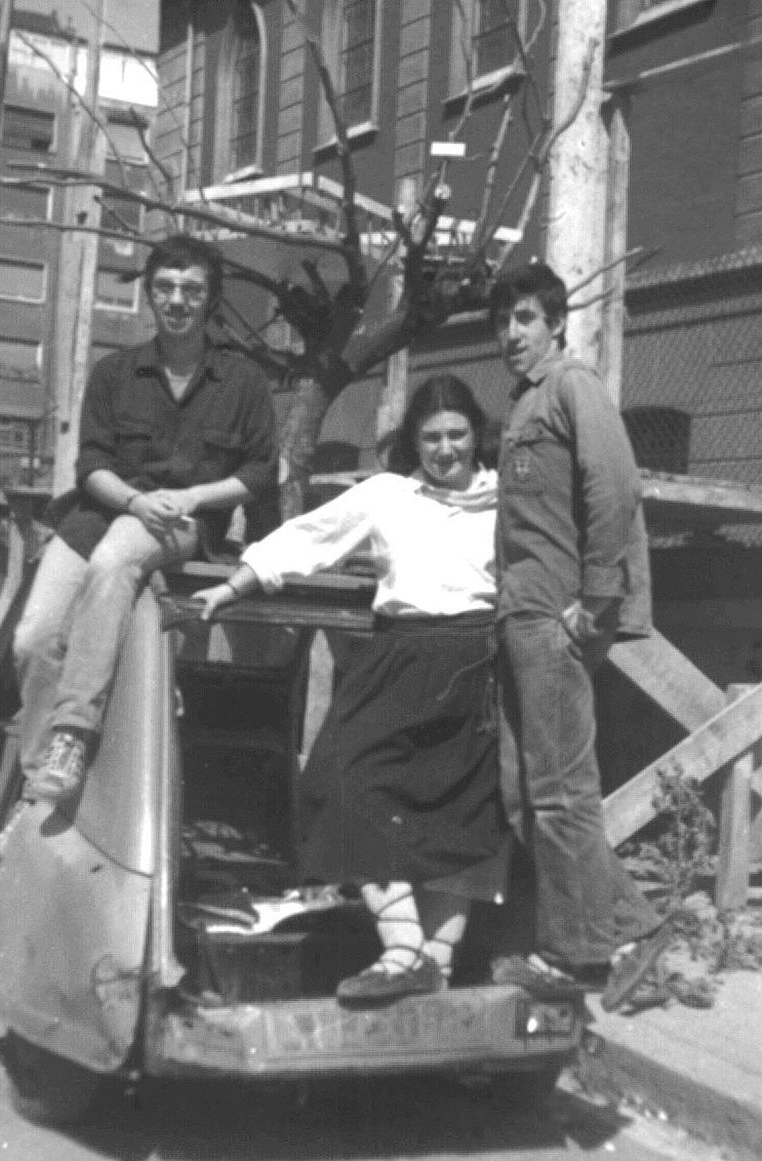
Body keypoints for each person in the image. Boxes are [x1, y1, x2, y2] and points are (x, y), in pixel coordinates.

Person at [193, 374, 504, 1005]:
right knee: (338, 780)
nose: (445, 449)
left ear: (476, 435)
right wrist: (234, 585)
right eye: (431, 438)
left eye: (457, 435)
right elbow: (311, 537)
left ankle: (436, 966)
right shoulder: (389, 494)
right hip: (397, 660)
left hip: (477, 663)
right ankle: (403, 949)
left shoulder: (508, 499)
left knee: (462, 815)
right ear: (413, 441)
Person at [0, 233, 278, 858]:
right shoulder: (115, 373)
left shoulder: (243, 380)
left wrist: (191, 497)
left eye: (192, 289)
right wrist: (135, 501)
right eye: (165, 287)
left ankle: (72, 733)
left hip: (181, 523)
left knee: (118, 557)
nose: (177, 300)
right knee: (34, 637)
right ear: (149, 294)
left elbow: (258, 473)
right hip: (102, 512)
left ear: (211, 299)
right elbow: (91, 466)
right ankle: (43, 795)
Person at [488, 261, 671, 1012]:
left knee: (561, 792)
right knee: (520, 792)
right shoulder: (522, 403)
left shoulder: (573, 386)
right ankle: (630, 927)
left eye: (525, 318)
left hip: (556, 615)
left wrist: (595, 601)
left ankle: (578, 953)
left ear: (556, 322)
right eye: (502, 321)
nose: (510, 333)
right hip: (520, 612)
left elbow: (615, 487)